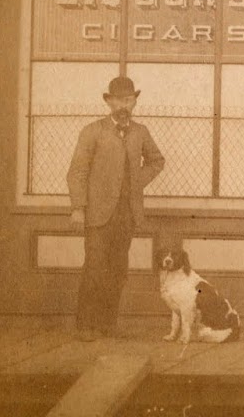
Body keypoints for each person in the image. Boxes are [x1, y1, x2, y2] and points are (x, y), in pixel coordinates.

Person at [66, 74, 165, 341]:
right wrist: (78, 207)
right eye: (119, 100)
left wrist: (136, 181)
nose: (124, 105)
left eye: (129, 100)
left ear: (134, 102)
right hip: (97, 215)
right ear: (109, 102)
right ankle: (86, 326)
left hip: (127, 214)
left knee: (117, 270)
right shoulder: (92, 131)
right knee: (95, 268)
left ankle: (108, 324)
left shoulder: (140, 132)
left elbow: (157, 161)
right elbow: (76, 172)